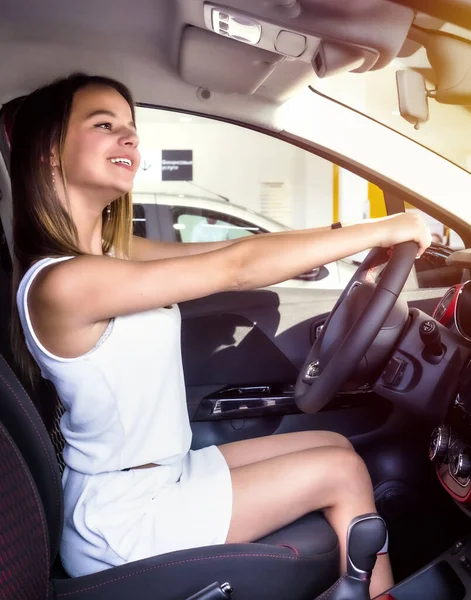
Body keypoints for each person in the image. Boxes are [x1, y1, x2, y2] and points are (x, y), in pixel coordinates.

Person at [9, 73, 431, 598]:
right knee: (340, 471)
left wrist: (346, 239)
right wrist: (388, 226)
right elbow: (236, 268)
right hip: (121, 516)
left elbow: (239, 253)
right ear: (49, 152)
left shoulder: (115, 257)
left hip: (162, 473)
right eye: (104, 124)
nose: (131, 139)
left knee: (334, 442)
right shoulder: (62, 282)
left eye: (132, 128)